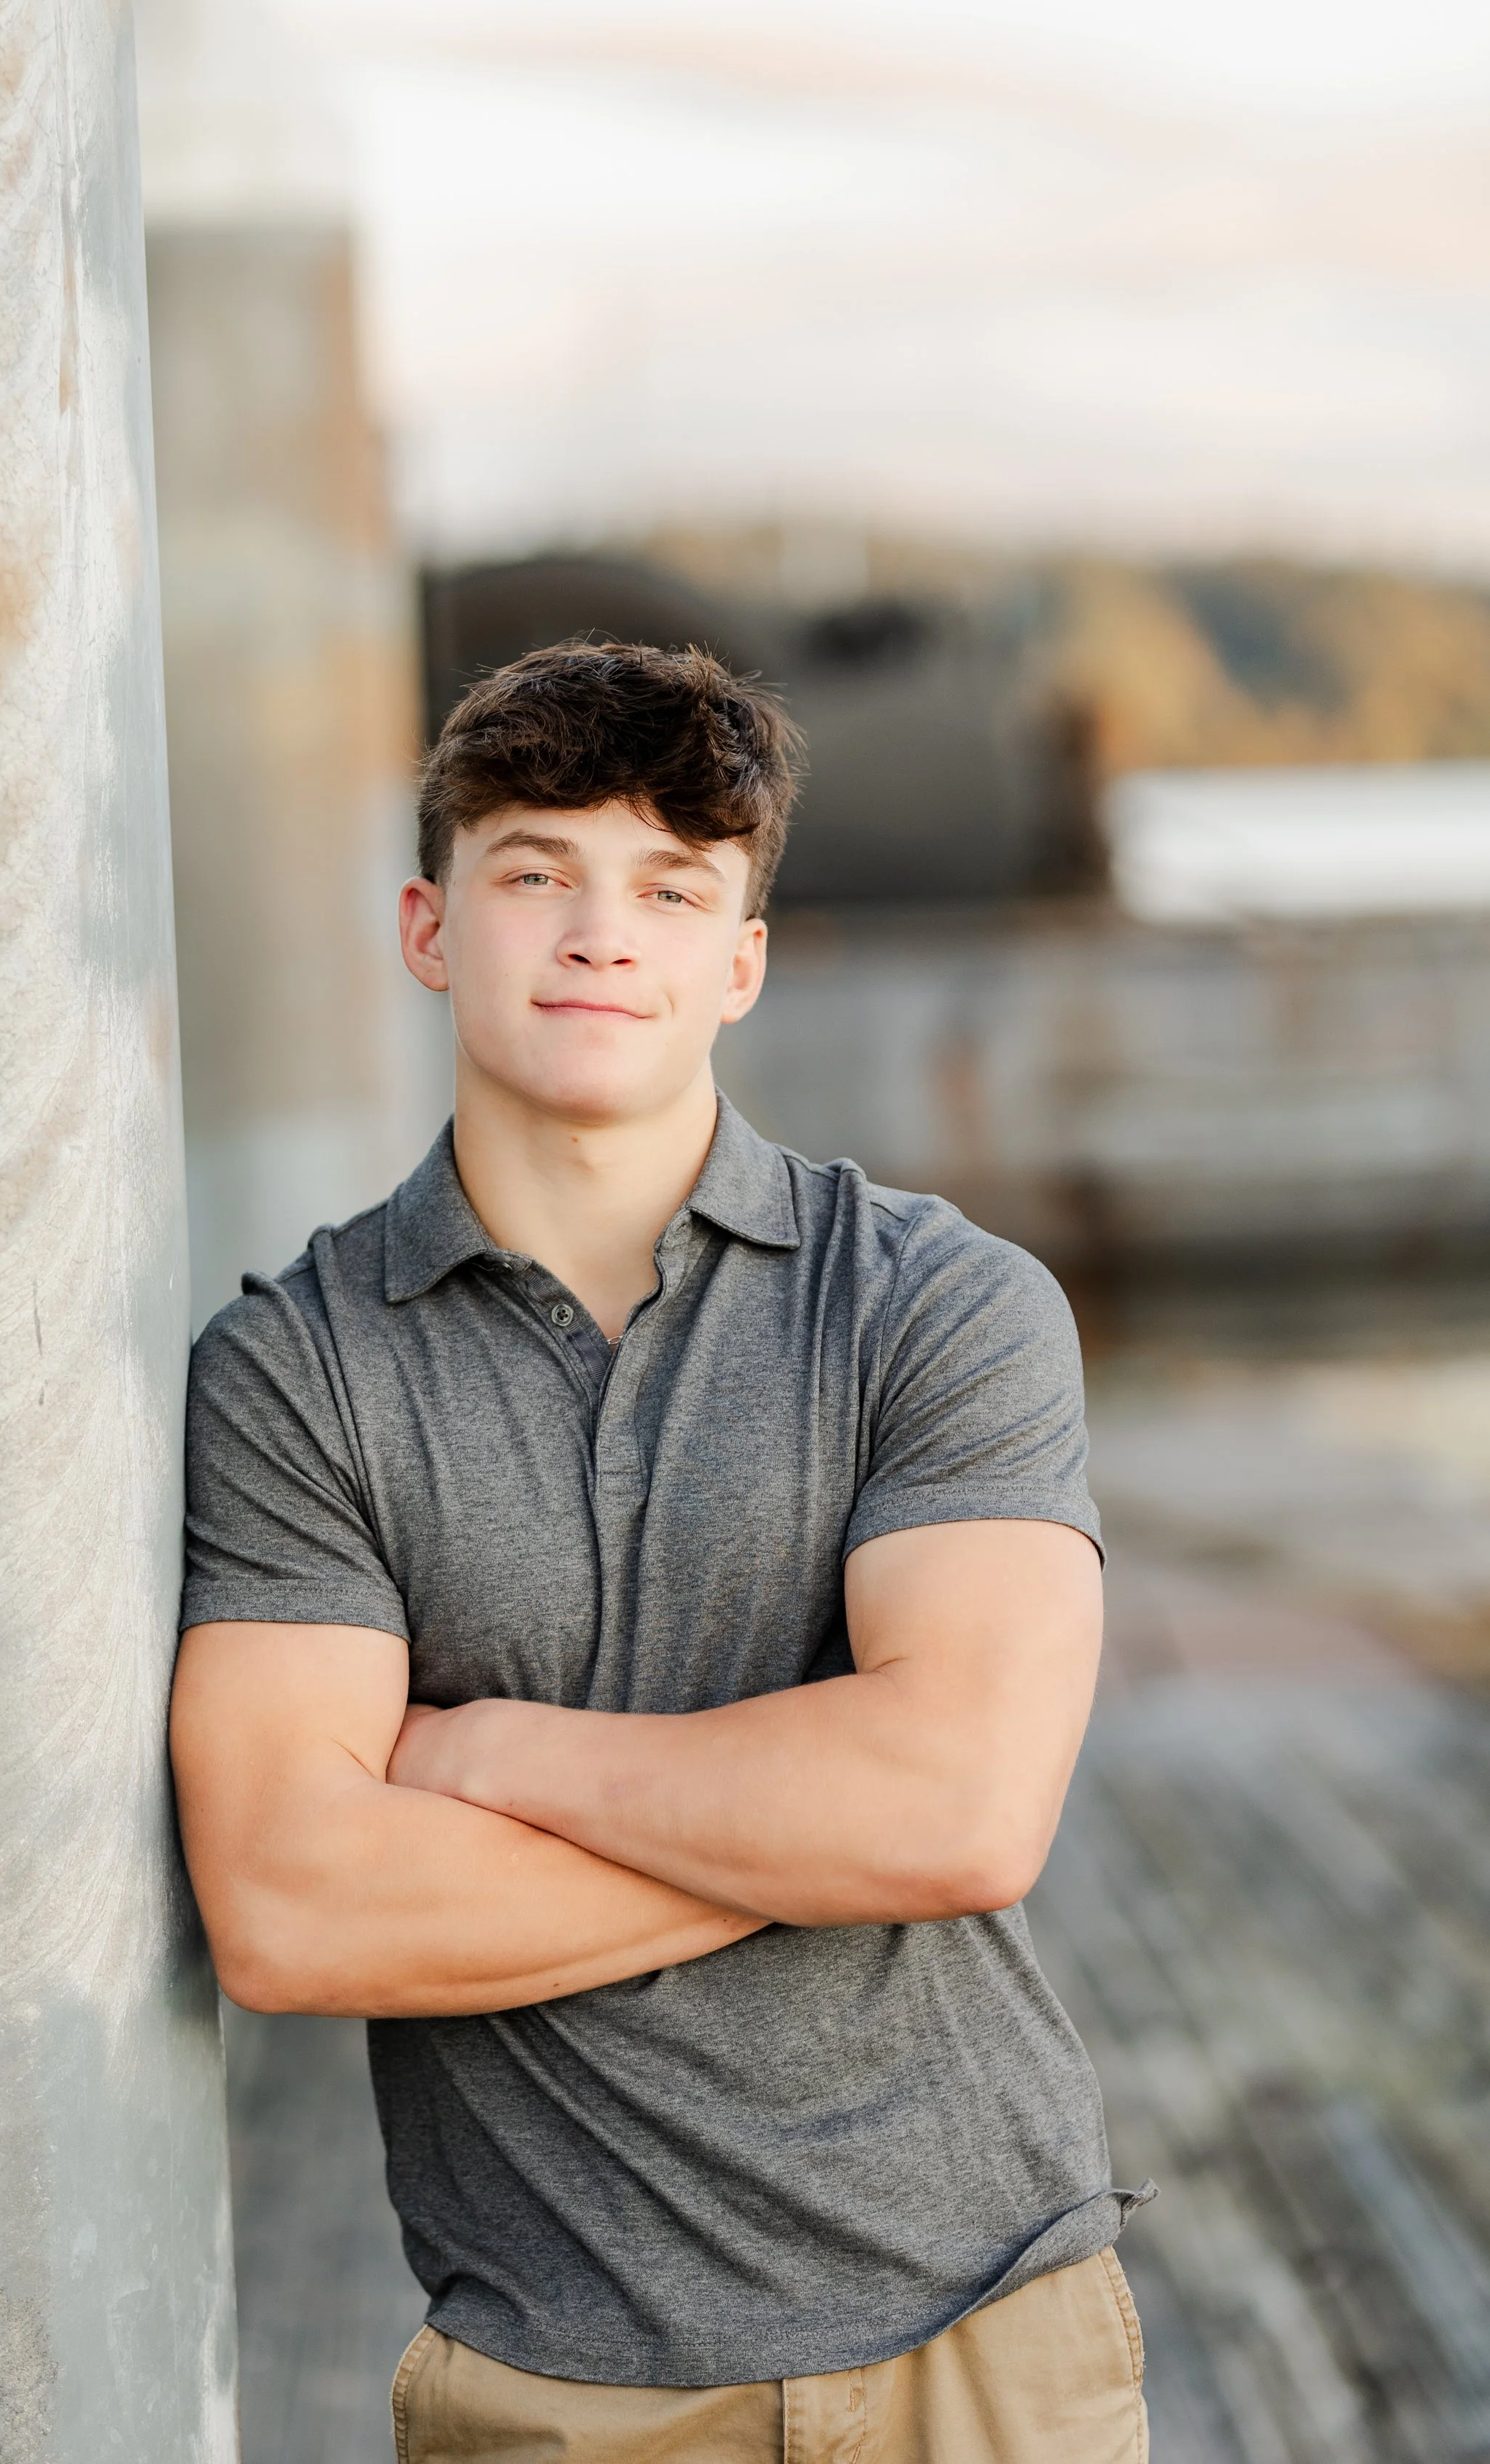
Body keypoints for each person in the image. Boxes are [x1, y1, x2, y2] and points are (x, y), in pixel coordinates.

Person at [171, 638, 1151, 2464]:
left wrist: (490, 1759)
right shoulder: (294, 1372)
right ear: (427, 927)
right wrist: (820, 1826)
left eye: (670, 887)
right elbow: (296, 1908)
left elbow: (956, 1820)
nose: (600, 933)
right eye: (535, 871)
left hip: (981, 2336)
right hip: (559, 2385)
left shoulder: (937, 1309)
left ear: (740, 961)